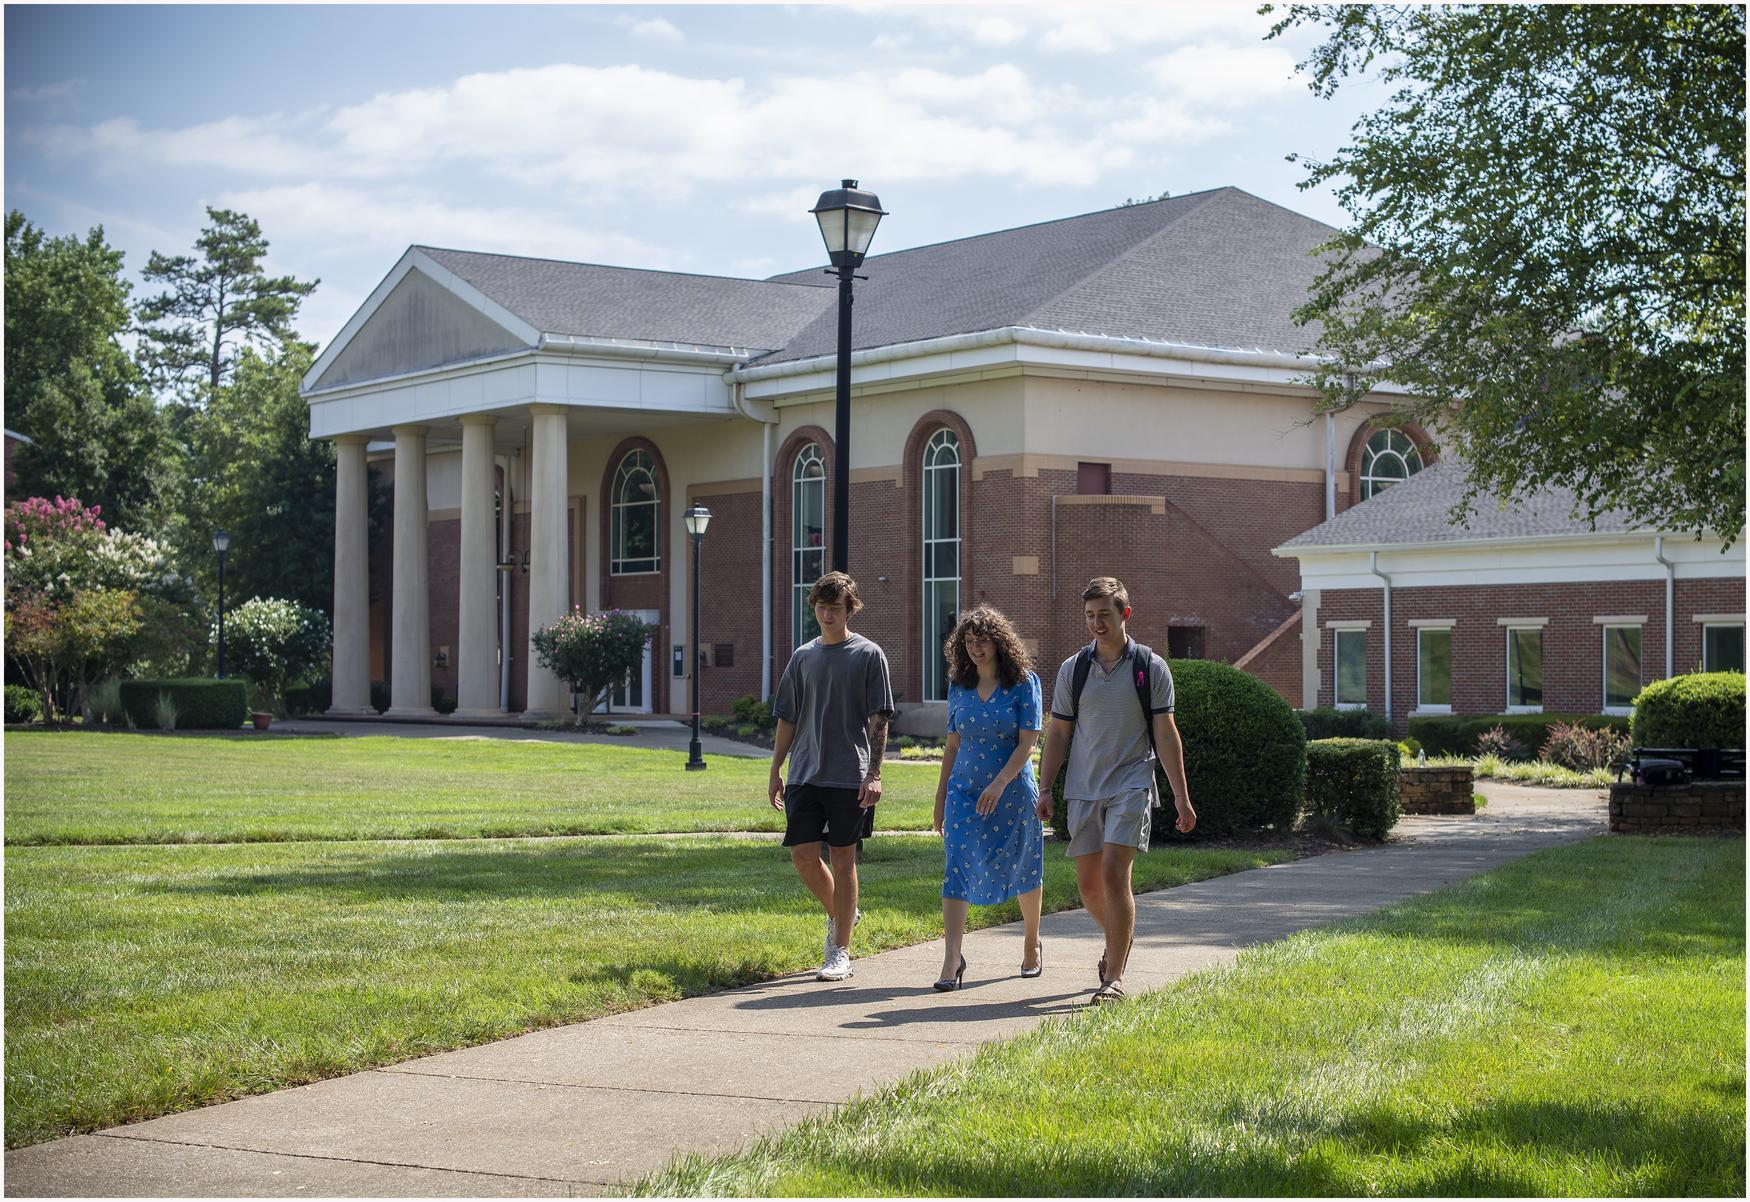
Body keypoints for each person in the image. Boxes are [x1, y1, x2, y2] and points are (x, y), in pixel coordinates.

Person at [1035, 576, 1196, 1005]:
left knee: (1112, 874)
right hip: (1083, 787)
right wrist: (1045, 786)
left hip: (1132, 781)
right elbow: (1059, 733)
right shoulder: (1075, 669)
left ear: (1125, 614)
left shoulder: (1149, 667)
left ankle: (1115, 978)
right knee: (1088, 886)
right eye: (1090, 616)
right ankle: (1117, 943)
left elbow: (1165, 732)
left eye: (1105, 614)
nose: (1096, 623)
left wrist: (1180, 795)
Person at [768, 571, 895, 982]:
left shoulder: (869, 654)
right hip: (805, 772)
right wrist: (775, 769)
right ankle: (844, 913)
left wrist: (874, 773)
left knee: (843, 860)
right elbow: (788, 717)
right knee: (803, 857)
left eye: (834, 607)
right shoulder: (802, 657)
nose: (826, 613)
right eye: (821, 606)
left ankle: (840, 951)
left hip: (849, 775)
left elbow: (880, 720)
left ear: (850, 609)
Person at [929, 606, 1046, 991]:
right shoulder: (958, 685)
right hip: (963, 792)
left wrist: (998, 784)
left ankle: (1031, 941)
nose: (976, 647)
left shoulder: (1023, 682)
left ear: (999, 640)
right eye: (969, 640)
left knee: (1024, 864)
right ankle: (952, 959)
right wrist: (941, 795)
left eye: (982, 639)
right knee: (957, 864)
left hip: (1011, 792)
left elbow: (1028, 743)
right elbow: (952, 744)